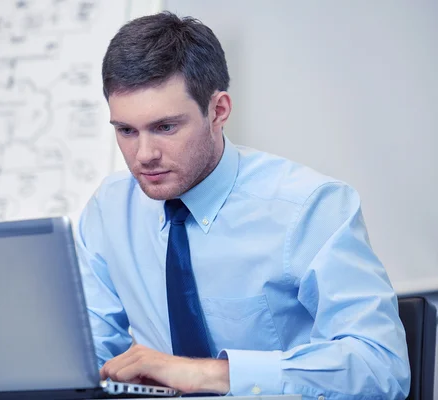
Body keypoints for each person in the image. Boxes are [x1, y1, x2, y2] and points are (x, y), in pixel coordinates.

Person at [75, 11, 410, 399]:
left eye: (165, 127)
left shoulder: (309, 207)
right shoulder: (111, 208)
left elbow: (381, 368)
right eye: (127, 131)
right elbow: (88, 353)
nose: (144, 155)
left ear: (218, 110)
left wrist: (212, 374)